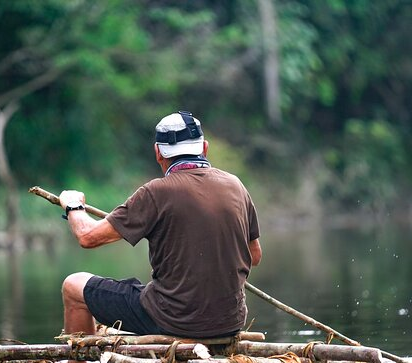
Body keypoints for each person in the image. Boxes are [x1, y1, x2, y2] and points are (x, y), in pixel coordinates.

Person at [57, 110, 262, 343]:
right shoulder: (235, 186)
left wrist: (73, 205)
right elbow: (254, 256)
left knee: (73, 286)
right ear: (204, 148)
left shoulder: (156, 192)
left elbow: (87, 236)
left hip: (173, 320)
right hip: (229, 322)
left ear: (158, 152)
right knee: (149, 292)